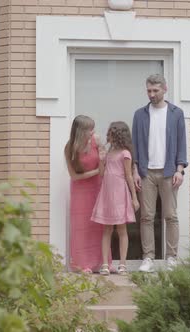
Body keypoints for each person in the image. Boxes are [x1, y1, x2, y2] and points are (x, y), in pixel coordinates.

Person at [132, 74, 188, 272]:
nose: (152, 94)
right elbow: (136, 145)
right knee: (146, 216)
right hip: (146, 172)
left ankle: (171, 257)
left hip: (168, 172)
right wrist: (135, 171)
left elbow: (182, 143)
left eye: (155, 90)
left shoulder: (176, 113)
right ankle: (148, 258)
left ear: (165, 89)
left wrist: (180, 170)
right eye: (149, 90)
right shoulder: (140, 114)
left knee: (170, 216)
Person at [91, 121, 140, 276]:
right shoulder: (108, 153)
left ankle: (123, 264)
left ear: (118, 135)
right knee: (106, 229)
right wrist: (101, 159)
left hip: (119, 193)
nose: (108, 136)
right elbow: (100, 173)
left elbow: (129, 176)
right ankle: (105, 264)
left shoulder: (125, 153)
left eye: (110, 133)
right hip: (107, 193)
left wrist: (134, 198)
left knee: (121, 229)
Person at [65, 115, 111, 274]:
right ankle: (82, 264)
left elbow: (103, 168)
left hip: (97, 187)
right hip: (80, 190)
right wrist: (96, 172)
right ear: (80, 131)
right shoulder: (69, 147)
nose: (93, 132)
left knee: (99, 224)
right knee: (81, 226)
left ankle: (102, 263)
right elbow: (74, 176)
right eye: (90, 129)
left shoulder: (96, 141)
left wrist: (102, 159)